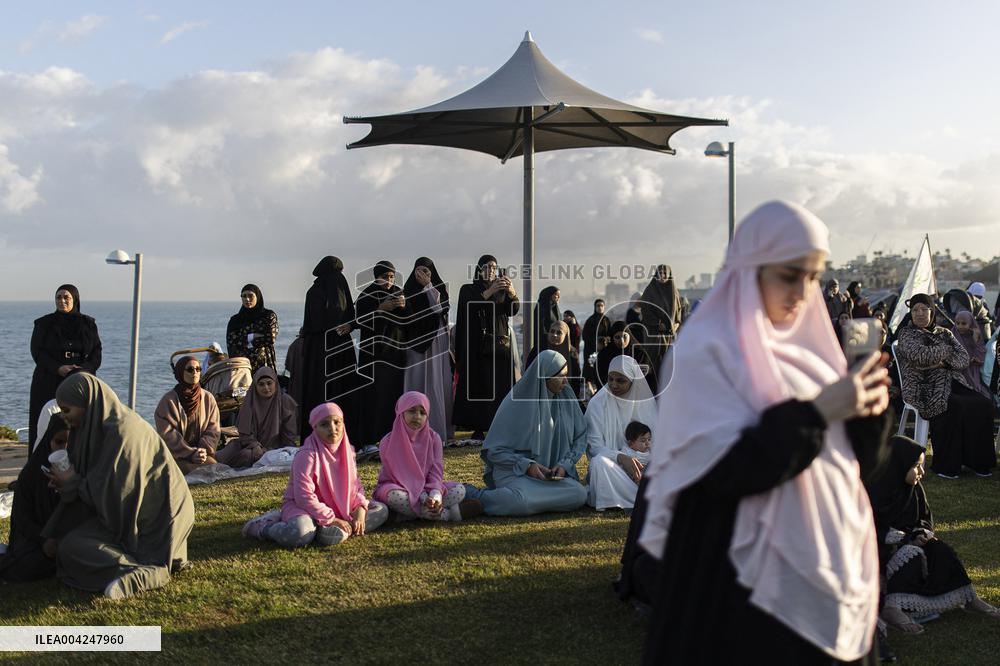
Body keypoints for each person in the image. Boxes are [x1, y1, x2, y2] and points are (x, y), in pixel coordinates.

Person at [640, 201, 892, 664]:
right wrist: (814, 414)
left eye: (814, 276)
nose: (802, 291)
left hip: (824, 567)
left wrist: (870, 413)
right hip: (735, 585)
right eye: (789, 274)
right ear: (750, 269)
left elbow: (858, 468)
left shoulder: (814, 354)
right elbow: (719, 472)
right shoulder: (706, 351)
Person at [41, 374, 195, 599]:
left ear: (87, 403)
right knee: (64, 545)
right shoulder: (89, 429)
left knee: (71, 548)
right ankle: (129, 566)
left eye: (67, 411)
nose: (64, 418)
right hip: (124, 517)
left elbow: (120, 500)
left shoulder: (122, 433)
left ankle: (143, 572)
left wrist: (72, 482)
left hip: (154, 523)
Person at [867, 436, 1000, 633]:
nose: (921, 472)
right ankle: (892, 608)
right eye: (916, 466)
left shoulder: (914, 490)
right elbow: (869, 529)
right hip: (880, 551)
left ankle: (970, 598)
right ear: (898, 465)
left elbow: (923, 518)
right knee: (910, 554)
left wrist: (921, 532)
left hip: (909, 542)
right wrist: (902, 538)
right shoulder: (874, 491)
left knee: (940, 549)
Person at [242, 402, 388, 547]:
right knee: (300, 533)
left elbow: (356, 487)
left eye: (337, 422)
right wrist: (332, 519)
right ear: (315, 428)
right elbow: (303, 497)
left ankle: (330, 530)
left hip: (341, 508)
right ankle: (265, 526)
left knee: (381, 510)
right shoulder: (307, 455)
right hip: (303, 508)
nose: (333, 428)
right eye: (324, 424)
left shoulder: (348, 451)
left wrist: (360, 510)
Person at [463, 350, 588, 516]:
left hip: (548, 477)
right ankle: (476, 496)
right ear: (544, 376)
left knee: (579, 494)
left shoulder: (566, 396)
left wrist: (565, 464)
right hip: (516, 473)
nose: (566, 380)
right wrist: (527, 465)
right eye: (560, 376)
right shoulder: (516, 401)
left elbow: (580, 436)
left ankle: (530, 500)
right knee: (519, 502)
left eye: (566, 375)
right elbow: (493, 452)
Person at [895, 294, 995, 478]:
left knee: (982, 403)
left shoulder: (944, 333)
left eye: (923, 309)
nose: (919, 314)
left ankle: (976, 462)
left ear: (932, 312)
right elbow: (920, 357)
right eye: (915, 310)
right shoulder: (907, 334)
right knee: (954, 406)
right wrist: (946, 350)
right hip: (923, 387)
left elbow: (963, 358)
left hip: (950, 381)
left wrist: (941, 362)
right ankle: (947, 465)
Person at [373, 392, 482, 522]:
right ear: (401, 412)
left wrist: (435, 496)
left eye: (422, 413)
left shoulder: (434, 438)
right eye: (412, 411)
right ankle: (449, 515)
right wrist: (424, 497)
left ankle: (401, 516)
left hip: (427, 487)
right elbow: (399, 476)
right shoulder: (388, 441)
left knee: (459, 490)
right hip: (398, 487)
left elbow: (436, 471)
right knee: (394, 496)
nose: (417, 416)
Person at [453, 255, 520, 439]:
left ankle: (499, 424)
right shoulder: (468, 289)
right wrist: (490, 290)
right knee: (479, 384)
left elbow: (512, 310)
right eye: (487, 267)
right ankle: (477, 427)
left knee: (499, 384)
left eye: (494, 267)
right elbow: (469, 306)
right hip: (476, 345)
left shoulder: (501, 290)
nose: (491, 270)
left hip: (498, 342)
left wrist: (512, 293)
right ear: (479, 269)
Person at [29, 284, 102, 446]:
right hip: (48, 378)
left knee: (82, 420)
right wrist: (58, 368)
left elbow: (97, 352)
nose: (62, 301)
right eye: (58, 297)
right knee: (45, 421)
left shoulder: (88, 324)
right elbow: (37, 352)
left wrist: (84, 370)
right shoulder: (43, 324)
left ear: (74, 299)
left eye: (66, 297)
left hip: (81, 379)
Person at [0, 415, 69, 582]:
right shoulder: (31, 474)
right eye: (59, 442)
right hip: (34, 541)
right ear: (49, 442)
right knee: (29, 565)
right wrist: (44, 541)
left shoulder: (81, 471)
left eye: (70, 443)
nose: (65, 448)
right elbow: (23, 519)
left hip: (68, 541)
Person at [300, 256, 359, 441]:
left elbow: (349, 314)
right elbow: (318, 322)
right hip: (324, 349)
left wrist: (350, 325)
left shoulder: (318, 290)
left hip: (334, 349)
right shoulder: (317, 292)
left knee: (341, 391)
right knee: (323, 392)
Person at [586, 355, 656, 511]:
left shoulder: (645, 402)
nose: (613, 385)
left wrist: (644, 463)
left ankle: (642, 495)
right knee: (599, 463)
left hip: (643, 469)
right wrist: (621, 458)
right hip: (614, 469)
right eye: (610, 379)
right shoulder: (597, 404)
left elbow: (657, 442)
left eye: (620, 381)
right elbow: (594, 447)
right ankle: (645, 498)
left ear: (633, 382)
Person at [401, 257, 453, 444]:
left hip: (436, 341)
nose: (422, 275)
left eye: (426, 271)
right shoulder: (407, 291)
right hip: (415, 343)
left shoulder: (438, 288)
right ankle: (410, 429)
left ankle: (437, 429)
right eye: (419, 271)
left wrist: (429, 285)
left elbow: (439, 308)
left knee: (436, 382)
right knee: (416, 381)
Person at [217, 367, 298, 468]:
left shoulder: (285, 401)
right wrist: (255, 446)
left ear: (275, 383)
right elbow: (245, 433)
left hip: (276, 449)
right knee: (227, 454)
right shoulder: (250, 401)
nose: (266, 388)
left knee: (247, 456)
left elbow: (289, 435)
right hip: (251, 446)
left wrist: (284, 450)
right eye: (261, 384)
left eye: (269, 383)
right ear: (255, 386)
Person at [154, 355, 221, 474]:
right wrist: (189, 453)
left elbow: (213, 429)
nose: (195, 372)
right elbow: (168, 435)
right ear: (180, 372)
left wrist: (201, 451)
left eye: (198, 369)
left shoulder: (208, 398)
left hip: (201, 455)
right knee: (191, 470)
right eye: (190, 369)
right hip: (177, 456)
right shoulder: (168, 401)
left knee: (213, 467)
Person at [226, 284, 279, 374]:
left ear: (257, 296)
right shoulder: (235, 320)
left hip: (264, 365)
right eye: (244, 296)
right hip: (243, 368)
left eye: (250, 296)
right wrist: (255, 336)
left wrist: (245, 338)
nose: (247, 299)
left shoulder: (268, 316)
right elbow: (231, 343)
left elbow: (270, 338)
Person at [639, 264, 682, 369]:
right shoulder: (650, 291)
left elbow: (679, 310)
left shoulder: (674, 292)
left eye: (664, 273)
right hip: (654, 334)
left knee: (669, 365)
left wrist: (676, 323)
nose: (662, 276)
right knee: (654, 365)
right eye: (659, 273)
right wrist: (657, 323)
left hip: (670, 334)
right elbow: (645, 309)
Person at [525, 321, 582, 397]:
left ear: (566, 335)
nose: (554, 335)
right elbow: (529, 371)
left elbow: (576, 380)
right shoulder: (539, 349)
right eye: (552, 331)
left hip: (565, 396)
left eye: (559, 333)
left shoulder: (572, 354)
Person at [596, 321, 655, 393]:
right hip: (611, 394)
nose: (622, 340)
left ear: (630, 336)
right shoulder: (604, 355)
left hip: (635, 395)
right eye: (617, 337)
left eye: (625, 336)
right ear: (612, 338)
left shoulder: (639, 353)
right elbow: (599, 378)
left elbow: (648, 377)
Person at [951, 310, 991, 400]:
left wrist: (975, 339)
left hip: (972, 370)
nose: (960, 326)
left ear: (971, 324)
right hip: (957, 370)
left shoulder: (975, 336)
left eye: (964, 323)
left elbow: (980, 355)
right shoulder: (952, 335)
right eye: (957, 323)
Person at [582, 299, 611, 394]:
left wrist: (605, 340)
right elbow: (585, 335)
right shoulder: (590, 320)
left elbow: (610, 334)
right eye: (598, 305)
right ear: (595, 307)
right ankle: (590, 388)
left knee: (602, 369)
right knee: (591, 369)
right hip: (592, 351)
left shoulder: (606, 320)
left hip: (604, 351)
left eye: (602, 305)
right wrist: (595, 343)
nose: (600, 307)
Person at [533, 285, 561, 352]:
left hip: (555, 342)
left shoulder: (555, 308)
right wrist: (548, 338)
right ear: (549, 295)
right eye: (556, 294)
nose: (558, 297)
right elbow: (540, 327)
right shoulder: (541, 308)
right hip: (543, 345)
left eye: (559, 295)